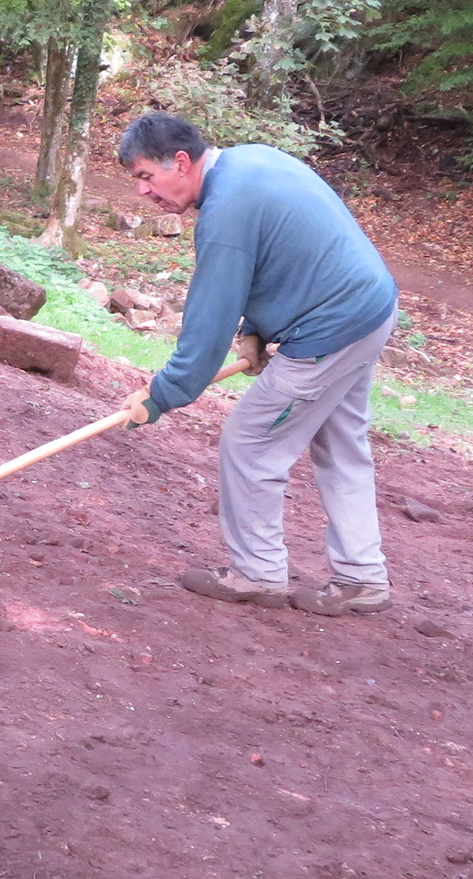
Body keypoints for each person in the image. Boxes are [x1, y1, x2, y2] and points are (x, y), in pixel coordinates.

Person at [105, 112, 400, 614]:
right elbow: (286, 255)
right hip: (371, 309)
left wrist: (162, 394)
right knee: (340, 444)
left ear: (181, 162)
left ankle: (259, 574)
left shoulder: (226, 211)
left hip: (330, 330)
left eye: (146, 176)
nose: (142, 191)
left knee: (250, 443)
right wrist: (255, 332)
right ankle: (362, 577)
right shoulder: (250, 161)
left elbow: (208, 322)